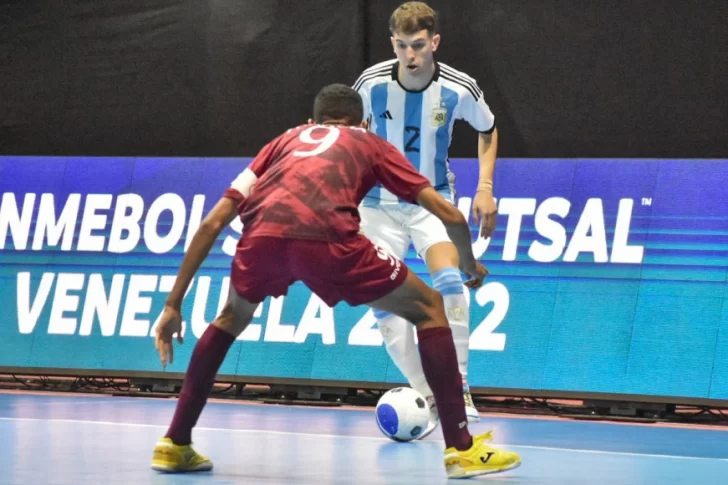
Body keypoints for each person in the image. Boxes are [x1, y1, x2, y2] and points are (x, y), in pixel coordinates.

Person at [150, 84, 521, 479]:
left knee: (229, 318)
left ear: (312, 122)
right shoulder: (368, 141)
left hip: (261, 239)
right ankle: (461, 450)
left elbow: (212, 222)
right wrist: (468, 264)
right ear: (363, 122)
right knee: (429, 307)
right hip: (329, 241)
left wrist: (173, 304)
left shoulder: (283, 140)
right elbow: (451, 215)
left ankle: (175, 442)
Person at [352, 1, 499, 436]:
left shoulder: (459, 88)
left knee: (450, 281)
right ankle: (430, 395)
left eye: (418, 45)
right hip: (376, 205)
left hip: (430, 201)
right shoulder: (371, 83)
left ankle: (460, 387)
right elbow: (352, 135)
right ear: (392, 44)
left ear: (434, 42)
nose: (410, 56)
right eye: (401, 46)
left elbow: (488, 129)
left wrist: (485, 188)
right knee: (382, 299)